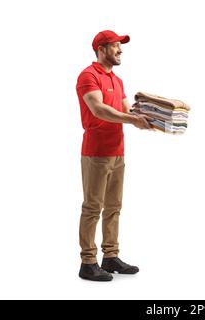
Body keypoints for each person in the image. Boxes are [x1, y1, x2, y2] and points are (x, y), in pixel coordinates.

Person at [76, 30, 152, 281]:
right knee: (92, 207)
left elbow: (125, 109)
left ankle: (110, 256)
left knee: (114, 207)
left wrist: (152, 114)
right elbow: (98, 109)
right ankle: (88, 262)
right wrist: (132, 119)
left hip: (117, 151)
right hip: (96, 152)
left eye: (120, 46)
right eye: (115, 46)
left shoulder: (117, 80)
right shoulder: (88, 76)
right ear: (101, 49)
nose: (120, 50)